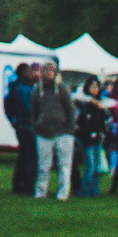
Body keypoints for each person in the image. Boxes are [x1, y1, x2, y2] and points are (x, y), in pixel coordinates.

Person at [32, 63, 76, 200]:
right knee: (43, 166)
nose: (49, 73)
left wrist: (69, 128)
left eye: (52, 71)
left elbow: (70, 109)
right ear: (42, 72)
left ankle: (63, 194)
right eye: (46, 70)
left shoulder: (62, 89)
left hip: (63, 132)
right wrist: (37, 126)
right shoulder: (37, 91)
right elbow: (33, 111)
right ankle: (41, 192)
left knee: (64, 165)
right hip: (43, 134)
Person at [5, 63, 39, 195]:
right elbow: (27, 107)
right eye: (29, 72)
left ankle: (19, 184)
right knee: (30, 156)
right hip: (27, 124)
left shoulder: (17, 87)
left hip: (23, 124)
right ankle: (27, 185)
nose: (31, 74)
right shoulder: (22, 88)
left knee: (24, 155)